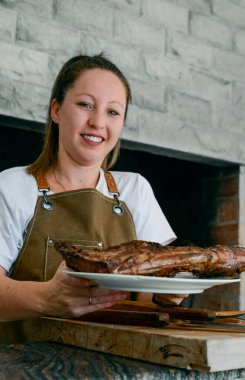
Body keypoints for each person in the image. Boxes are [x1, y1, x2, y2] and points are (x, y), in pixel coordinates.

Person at [0, 54, 187, 343]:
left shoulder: (135, 189)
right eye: (85, 104)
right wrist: (47, 299)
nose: (98, 122)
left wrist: (168, 295)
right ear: (57, 110)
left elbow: (151, 296)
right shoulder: (11, 186)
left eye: (113, 112)